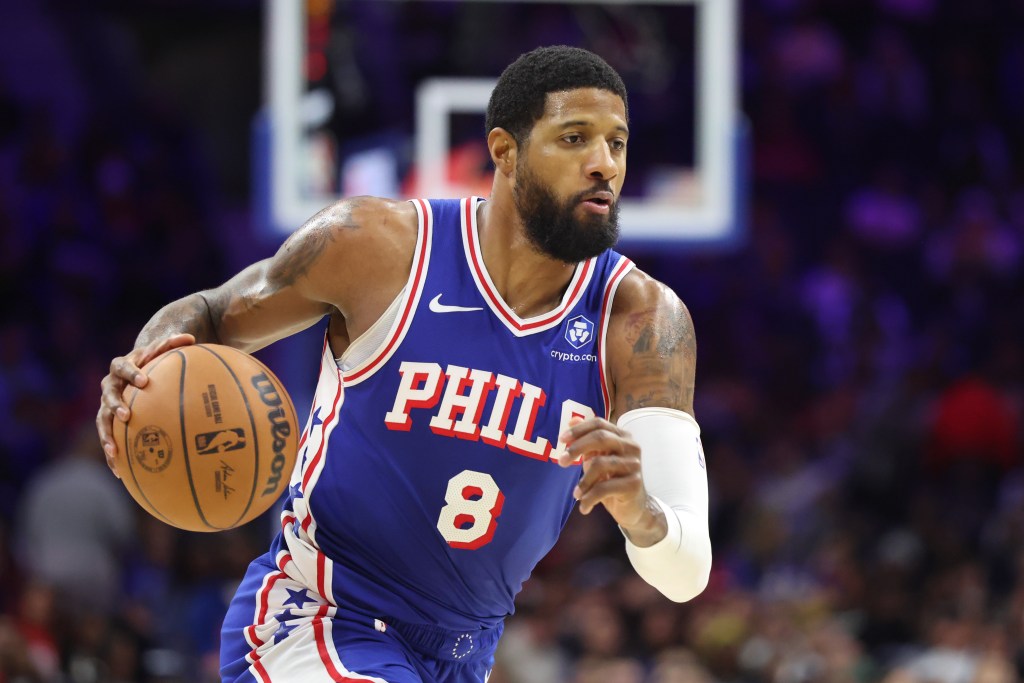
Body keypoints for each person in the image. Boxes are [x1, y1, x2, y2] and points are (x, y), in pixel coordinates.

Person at [97, 45, 712, 683]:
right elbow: (210, 312)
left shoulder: (643, 320)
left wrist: (641, 511)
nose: (602, 164)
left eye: (617, 142)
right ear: (504, 151)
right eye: (575, 138)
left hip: (463, 651)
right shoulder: (376, 246)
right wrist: (143, 368)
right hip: (321, 615)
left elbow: (686, 571)